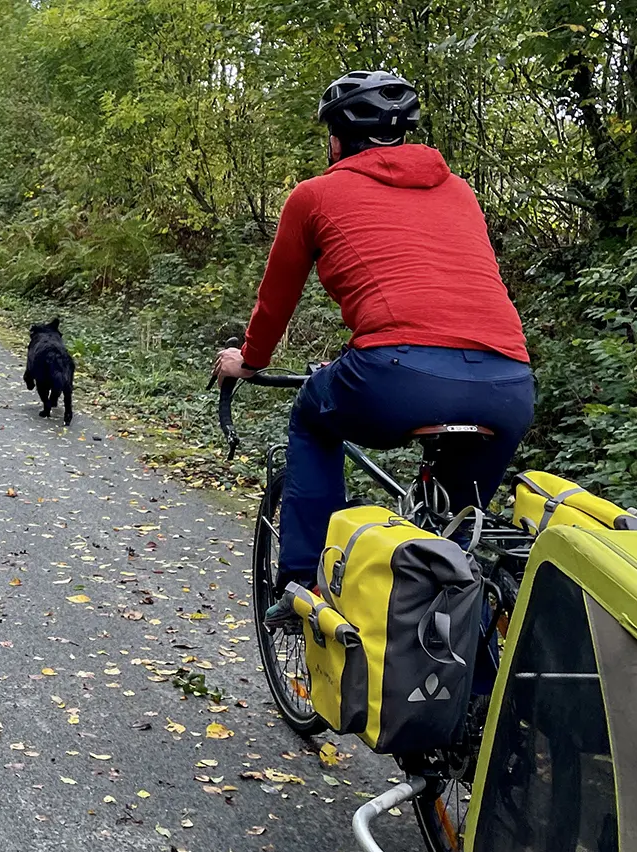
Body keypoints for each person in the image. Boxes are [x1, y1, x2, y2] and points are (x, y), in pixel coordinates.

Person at [213, 70, 536, 617]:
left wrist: (249, 360)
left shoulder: (315, 195)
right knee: (461, 539)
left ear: (336, 138)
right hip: (508, 382)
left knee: (313, 417)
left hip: (394, 378)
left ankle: (302, 585)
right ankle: (474, 672)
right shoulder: (459, 190)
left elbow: (277, 298)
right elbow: (436, 292)